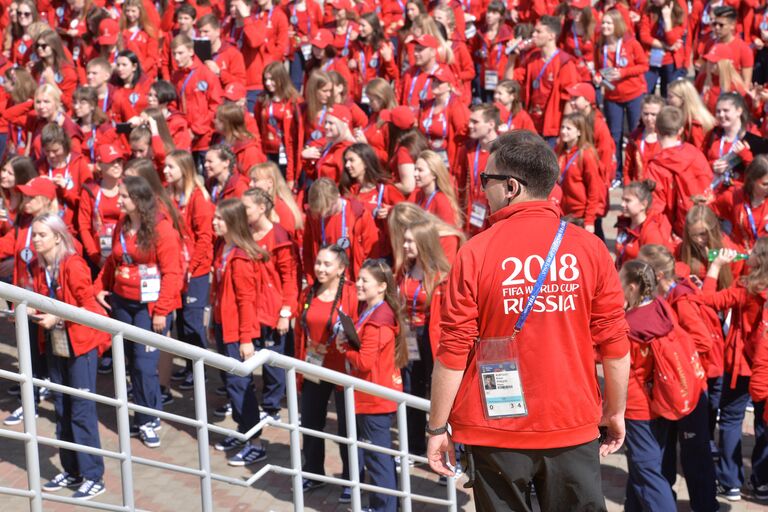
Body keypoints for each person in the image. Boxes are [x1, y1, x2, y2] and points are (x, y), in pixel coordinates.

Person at [426, 130, 630, 511]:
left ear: (511, 187)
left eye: (486, 181)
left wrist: (437, 427)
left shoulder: (476, 253)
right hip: (570, 423)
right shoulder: (589, 248)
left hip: (496, 430)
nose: (482, 190)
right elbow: (616, 345)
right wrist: (614, 412)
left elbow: (453, 350)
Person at [95, 176, 183, 448]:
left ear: (138, 200)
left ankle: (148, 419)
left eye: (123, 196)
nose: (117, 200)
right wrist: (99, 286)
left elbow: (172, 273)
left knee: (145, 366)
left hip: (150, 307)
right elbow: (113, 260)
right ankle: (143, 414)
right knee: (131, 363)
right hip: (122, 302)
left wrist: (162, 311)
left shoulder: (161, 229)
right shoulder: (123, 224)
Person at [31, 214, 111, 500]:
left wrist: (58, 316)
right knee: (63, 409)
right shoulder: (41, 267)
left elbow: (89, 308)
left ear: (57, 236)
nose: (35, 240)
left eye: (41, 234)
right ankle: (72, 470)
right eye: (34, 235)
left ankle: (94, 476)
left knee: (81, 411)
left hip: (81, 346)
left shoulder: (73, 264)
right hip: (57, 345)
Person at [636, 244, 720, 512]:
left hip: (690, 390)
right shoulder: (662, 298)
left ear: (658, 275)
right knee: (666, 453)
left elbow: (703, 341)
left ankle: (706, 505)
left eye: (643, 270)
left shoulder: (680, 300)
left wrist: (672, 351)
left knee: (696, 456)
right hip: (671, 390)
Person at [693, 243, 768, 501]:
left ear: (760, 260)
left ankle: (730, 481)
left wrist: (715, 266)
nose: (749, 253)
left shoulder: (746, 291)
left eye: (755, 251)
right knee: (763, 424)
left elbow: (706, 299)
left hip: (742, 366)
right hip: (765, 367)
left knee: (731, 421)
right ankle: (761, 482)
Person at [337, 258, 408, 512]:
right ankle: (385, 506)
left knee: (378, 460)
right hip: (372, 394)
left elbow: (365, 362)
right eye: (359, 279)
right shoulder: (374, 311)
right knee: (379, 458)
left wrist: (344, 348)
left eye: (365, 280)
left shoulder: (379, 317)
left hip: (374, 398)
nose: (359, 284)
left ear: (380, 286)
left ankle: (384, 508)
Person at [293, 244, 357, 502]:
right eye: (318, 262)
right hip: (314, 367)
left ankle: (351, 479)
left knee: (346, 428)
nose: (320, 268)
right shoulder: (309, 292)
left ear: (341, 269)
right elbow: (301, 330)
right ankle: (313, 472)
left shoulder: (352, 293)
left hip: (343, 370)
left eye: (327, 264)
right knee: (310, 422)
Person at [209, 198, 268, 466]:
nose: (214, 222)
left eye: (220, 218)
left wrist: (246, 338)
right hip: (223, 326)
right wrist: (213, 323)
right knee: (230, 384)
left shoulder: (242, 257)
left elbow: (247, 301)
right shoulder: (223, 247)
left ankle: (256, 443)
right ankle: (244, 431)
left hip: (236, 332)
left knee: (240, 386)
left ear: (232, 222)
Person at [617, 259, 678, 511]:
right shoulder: (661, 308)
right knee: (643, 466)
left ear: (632, 287)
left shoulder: (629, 325)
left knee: (647, 471)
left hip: (637, 406)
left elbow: (607, 357)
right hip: (661, 399)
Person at [242, 187, 297, 420]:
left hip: (273, 311)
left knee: (273, 362)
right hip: (252, 309)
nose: (242, 212)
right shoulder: (245, 234)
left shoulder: (279, 236)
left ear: (262, 208)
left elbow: (289, 277)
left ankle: (272, 408)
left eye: (246, 207)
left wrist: (286, 311)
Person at [163, 150, 215, 390]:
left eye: (170, 167)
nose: (165, 171)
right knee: (182, 321)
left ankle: (200, 369)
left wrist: (192, 268)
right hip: (176, 267)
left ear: (183, 170)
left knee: (193, 321)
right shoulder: (170, 194)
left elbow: (205, 237)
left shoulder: (198, 198)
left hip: (195, 271)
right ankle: (189, 365)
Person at [614, 179, 673, 268]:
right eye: (622, 200)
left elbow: (653, 269)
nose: (622, 204)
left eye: (628, 201)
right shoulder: (624, 224)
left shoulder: (651, 233)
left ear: (643, 205)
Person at [410, 150, 463, 228]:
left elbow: (450, 235)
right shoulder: (418, 194)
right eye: (415, 169)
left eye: (420, 170)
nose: (415, 174)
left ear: (434, 174)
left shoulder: (442, 201)